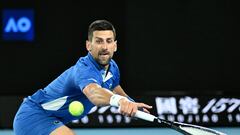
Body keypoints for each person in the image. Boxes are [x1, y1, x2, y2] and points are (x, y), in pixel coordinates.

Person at [13, 20, 152, 135]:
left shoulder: (113, 67)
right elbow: (94, 93)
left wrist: (130, 103)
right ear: (88, 45)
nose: (104, 47)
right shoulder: (84, 69)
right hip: (34, 116)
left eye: (109, 41)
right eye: (98, 41)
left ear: (115, 45)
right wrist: (119, 101)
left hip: (53, 120)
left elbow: (114, 88)